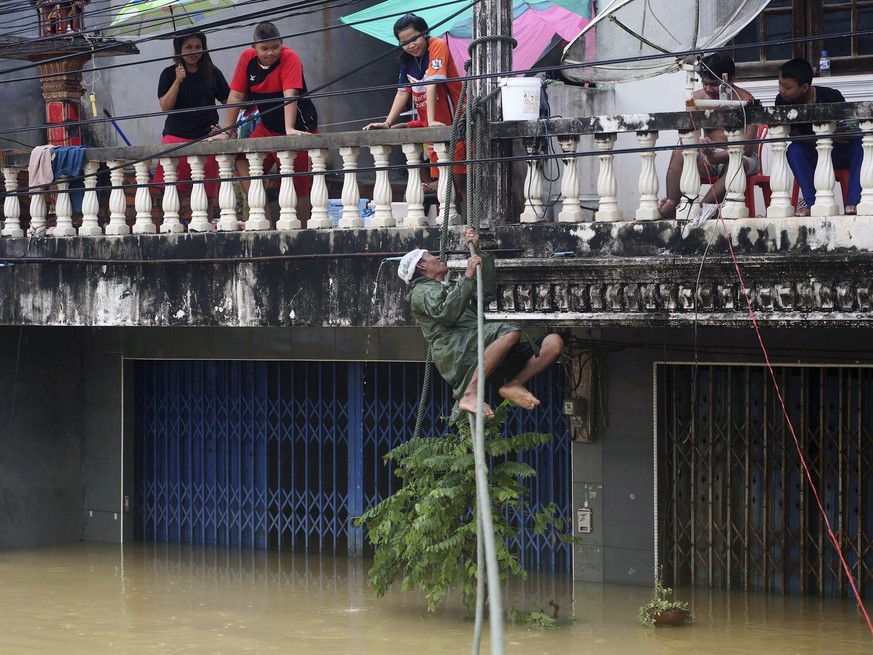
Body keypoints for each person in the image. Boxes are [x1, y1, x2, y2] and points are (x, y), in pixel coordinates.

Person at [398, 229, 564, 417]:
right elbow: (446, 313)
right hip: (458, 350)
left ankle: (514, 384)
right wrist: (468, 276)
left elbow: (485, 294)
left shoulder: (450, 286)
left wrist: (478, 252)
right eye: (430, 256)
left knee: (554, 342)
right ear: (422, 267)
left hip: (480, 343)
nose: (437, 257)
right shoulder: (421, 291)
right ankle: (471, 392)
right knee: (508, 331)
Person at [363, 13, 466, 207]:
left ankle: (468, 229)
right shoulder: (406, 60)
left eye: (414, 38)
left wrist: (433, 120)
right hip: (432, 129)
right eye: (404, 42)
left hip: (453, 122)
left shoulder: (437, 46)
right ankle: (451, 228)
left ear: (425, 34)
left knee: (460, 183)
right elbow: (402, 93)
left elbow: (432, 84)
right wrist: (387, 123)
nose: (411, 45)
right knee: (446, 182)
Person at [224, 22, 318, 227]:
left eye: (275, 47)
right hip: (267, 126)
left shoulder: (290, 57)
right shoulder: (246, 59)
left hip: (300, 126)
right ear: (254, 47)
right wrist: (227, 131)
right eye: (264, 48)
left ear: (282, 43)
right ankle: (263, 221)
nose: (270, 53)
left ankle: (299, 231)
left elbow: (290, 96)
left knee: (297, 185)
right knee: (243, 160)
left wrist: (290, 130)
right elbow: (236, 95)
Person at [658, 53, 758, 219]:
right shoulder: (696, 98)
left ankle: (703, 209)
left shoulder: (746, 100)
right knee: (679, 152)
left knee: (736, 163)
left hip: (740, 157)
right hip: (707, 156)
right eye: (705, 83)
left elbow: (746, 149)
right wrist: (701, 144)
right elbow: (689, 136)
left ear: (730, 80)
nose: (708, 89)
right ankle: (671, 205)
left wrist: (716, 157)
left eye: (714, 84)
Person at [154, 31, 230, 220]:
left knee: (206, 194)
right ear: (179, 50)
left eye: (198, 47)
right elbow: (165, 106)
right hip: (176, 137)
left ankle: (206, 232)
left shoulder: (212, 73)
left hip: (207, 139)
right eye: (188, 47)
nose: (194, 52)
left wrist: (226, 129)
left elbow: (230, 101)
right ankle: (173, 230)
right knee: (174, 191)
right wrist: (178, 80)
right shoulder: (168, 74)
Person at [775, 57, 862, 217]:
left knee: (861, 145)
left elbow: (845, 125)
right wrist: (827, 137)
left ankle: (854, 202)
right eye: (779, 84)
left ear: (804, 87)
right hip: (812, 154)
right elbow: (796, 137)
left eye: (787, 86)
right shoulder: (782, 101)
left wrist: (846, 131)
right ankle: (812, 203)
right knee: (794, 150)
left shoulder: (831, 96)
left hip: (838, 152)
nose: (781, 90)